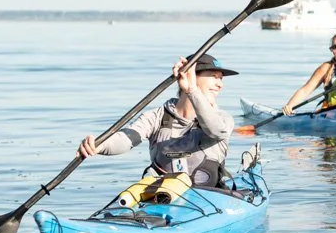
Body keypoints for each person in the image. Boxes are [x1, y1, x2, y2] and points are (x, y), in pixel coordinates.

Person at [77, 53, 237, 187]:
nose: (220, 85)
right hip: (162, 198)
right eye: (214, 77)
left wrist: (192, 90)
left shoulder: (223, 119)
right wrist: (99, 145)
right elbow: (126, 138)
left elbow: (215, 130)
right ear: (190, 76)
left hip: (209, 200)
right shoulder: (156, 117)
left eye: (221, 79)